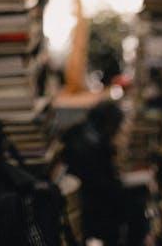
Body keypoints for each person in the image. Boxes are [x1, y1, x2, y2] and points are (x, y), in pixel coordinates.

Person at [62, 100, 146, 246]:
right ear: (109, 125)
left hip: (90, 202)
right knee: (138, 205)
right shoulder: (94, 148)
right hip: (97, 209)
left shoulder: (81, 133)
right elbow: (105, 187)